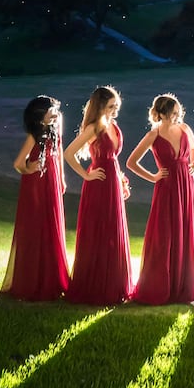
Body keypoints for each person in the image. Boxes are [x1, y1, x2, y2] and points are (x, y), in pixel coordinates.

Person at [127, 92, 194, 305]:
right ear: (159, 114)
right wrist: (153, 176)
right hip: (167, 187)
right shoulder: (153, 135)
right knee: (165, 234)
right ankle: (161, 285)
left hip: (187, 185)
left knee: (185, 231)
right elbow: (131, 162)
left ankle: (183, 285)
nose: (175, 118)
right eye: (171, 114)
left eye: (178, 113)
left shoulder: (185, 129)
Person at [65, 85, 134, 306]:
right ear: (101, 106)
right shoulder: (94, 128)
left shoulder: (113, 125)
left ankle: (113, 285)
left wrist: (122, 181)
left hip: (112, 183)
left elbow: (113, 159)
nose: (115, 110)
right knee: (99, 232)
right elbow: (68, 153)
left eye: (117, 106)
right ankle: (95, 286)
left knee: (113, 232)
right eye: (111, 106)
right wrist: (86, 175)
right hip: (98, 184)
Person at [1, 95, 69, 301]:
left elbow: (58, 155)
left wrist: (62, 179)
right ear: (40, 117)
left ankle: (52, 276)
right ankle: (33, 278)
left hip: (52, 181)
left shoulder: (55, 131)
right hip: (36, 184)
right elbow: (18, 163)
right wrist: (29, 168)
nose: (56, 115)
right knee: (37, 226)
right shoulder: (34, 135)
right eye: (52, 112)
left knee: (51, 226)